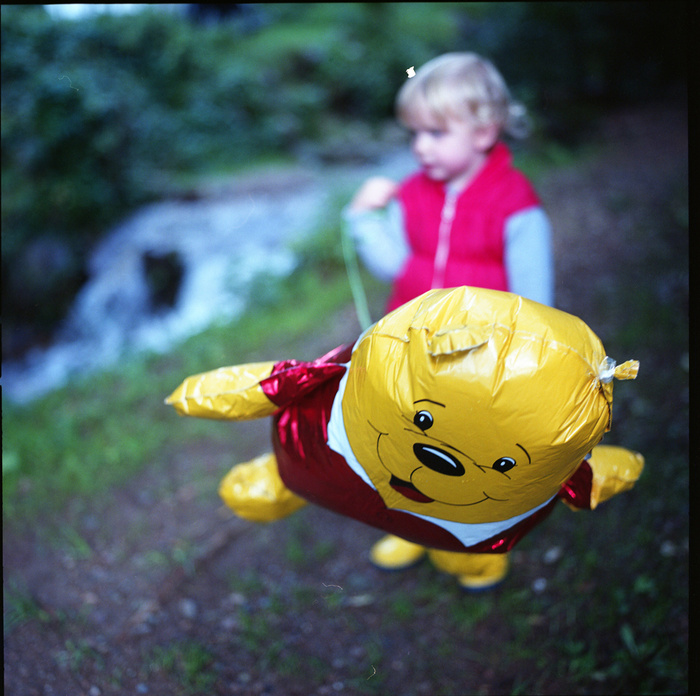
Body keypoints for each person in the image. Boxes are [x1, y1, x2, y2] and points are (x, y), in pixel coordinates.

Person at [344, 52, 554, 312]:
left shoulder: (514, 203)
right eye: (414, 133)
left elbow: (535, 302)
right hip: (412, 334)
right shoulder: (410, 195)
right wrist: (362, 217)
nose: (420, 146)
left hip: (485, 337)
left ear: (483, 133)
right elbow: (394, 267)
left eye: (436, 133)